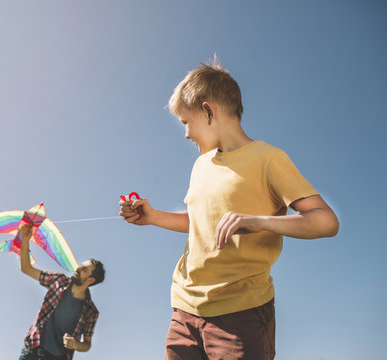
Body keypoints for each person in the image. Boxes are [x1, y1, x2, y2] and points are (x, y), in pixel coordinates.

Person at [119, 60, 339, 360]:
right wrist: (153, 216)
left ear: (209, 111)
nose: (185, 134)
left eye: (186, 122)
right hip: (184, 310)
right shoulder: (200, 165)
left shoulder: (268, 159)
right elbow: (201, 222)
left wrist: (260, 222)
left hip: (240, 314)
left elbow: (326, 222)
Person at [17, 223, 104, 360]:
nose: (78, 269)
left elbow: (87, 344)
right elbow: (26, 268)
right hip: (31, 352)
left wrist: (76, 344)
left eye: (84, 270)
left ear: (90, 280)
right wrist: (26, 239)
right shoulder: (58, 281)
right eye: (81, 266)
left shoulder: (91, 311)